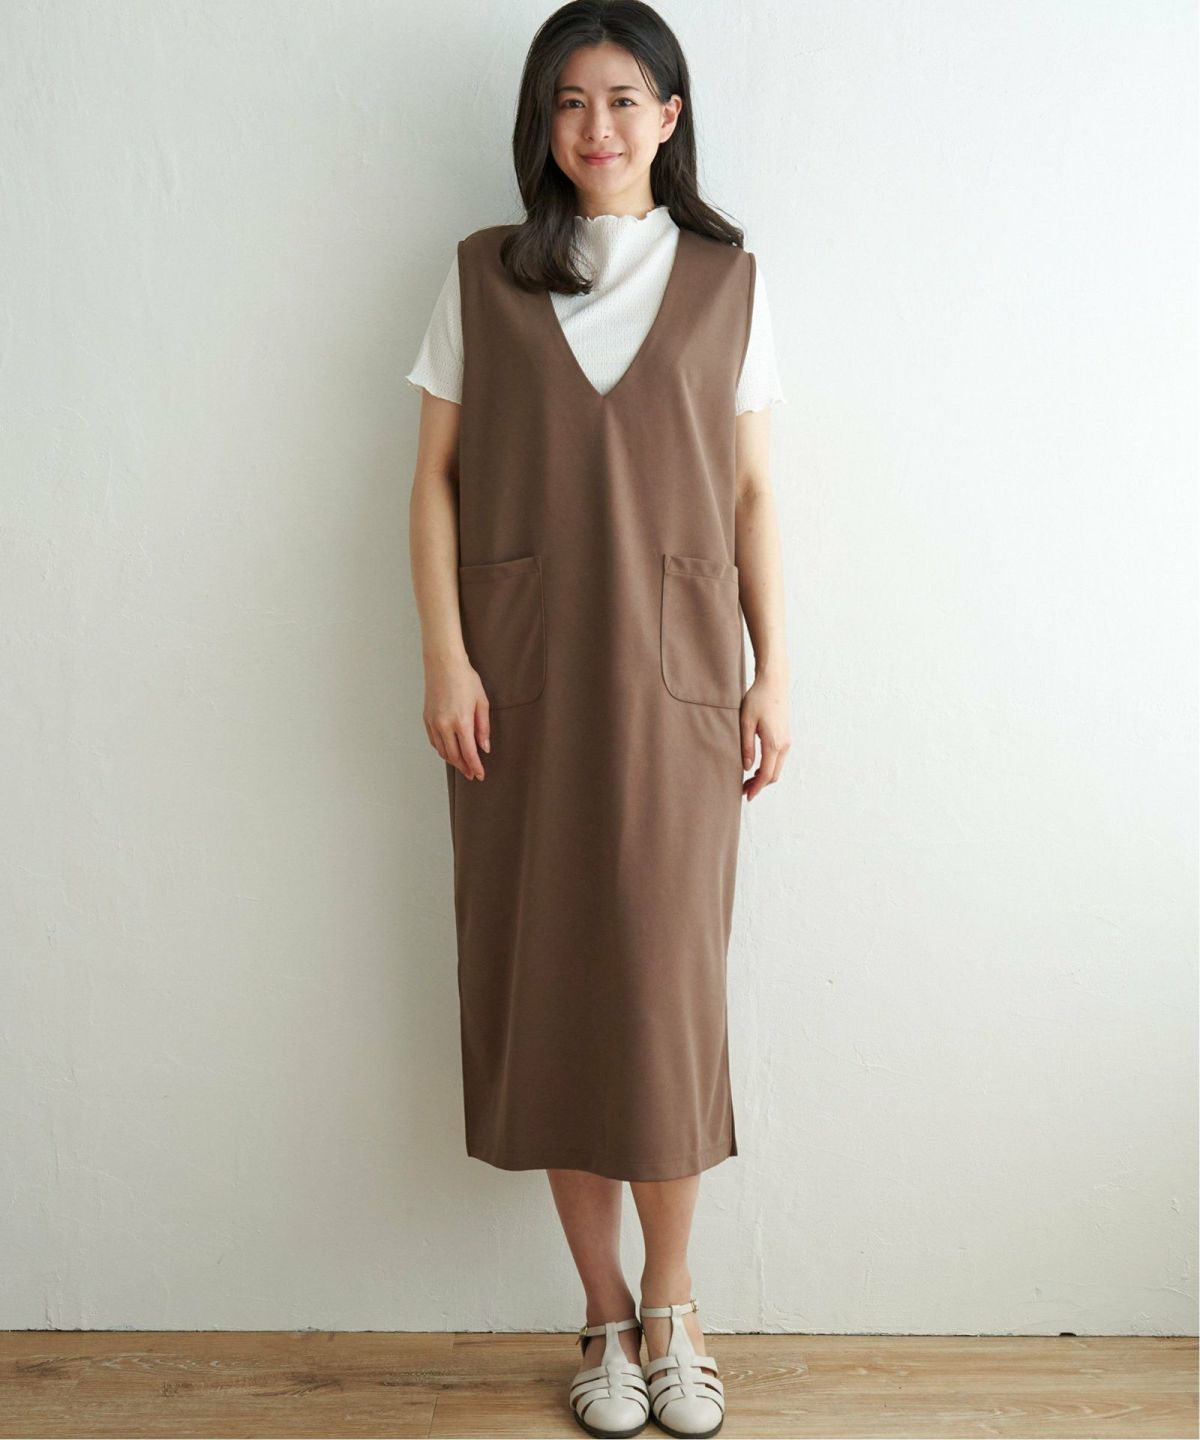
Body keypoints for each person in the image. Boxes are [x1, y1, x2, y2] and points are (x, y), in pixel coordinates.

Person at [406, 3, 791, 1434]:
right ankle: (603, 1314)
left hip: (681, 684)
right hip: (518, 691)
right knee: (557, 986)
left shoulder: (729, 283)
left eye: (625, 98)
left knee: (664, 999)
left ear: (670, 117)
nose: (598, 126)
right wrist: (446, 659)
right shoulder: (481, 275)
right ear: (543, 123)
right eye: (570, 102)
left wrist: (776, 668)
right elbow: (433, 482)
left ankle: (675, 1304)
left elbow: (751, 493)